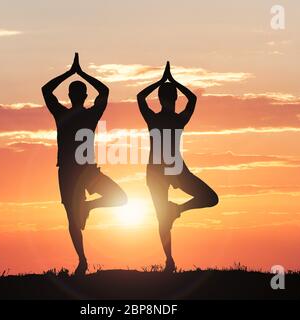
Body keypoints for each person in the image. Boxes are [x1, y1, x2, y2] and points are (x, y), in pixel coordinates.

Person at [42, 53, 127, 275]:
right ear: (81, 95)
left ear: (71, 95)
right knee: (73, 217)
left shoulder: (67, 114)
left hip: (83, 171)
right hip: (74, 172)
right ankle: (82, 261)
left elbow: (46, 90)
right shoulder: (82, 115)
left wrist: (72, 72)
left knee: (114, 201)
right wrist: (81, 73)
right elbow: (105, 91)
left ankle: (88, 212)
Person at [137, 61, 219, 272]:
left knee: (210, 198)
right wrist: (170, 81)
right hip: (160, 172)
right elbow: (192, 98)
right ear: (171, 99)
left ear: (165, 99)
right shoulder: (169, 119)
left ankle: (177, 210)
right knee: (162, 216)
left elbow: (140, 97)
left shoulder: (161, 119)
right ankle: (169, 261)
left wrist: (162, 81)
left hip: (173, 170)